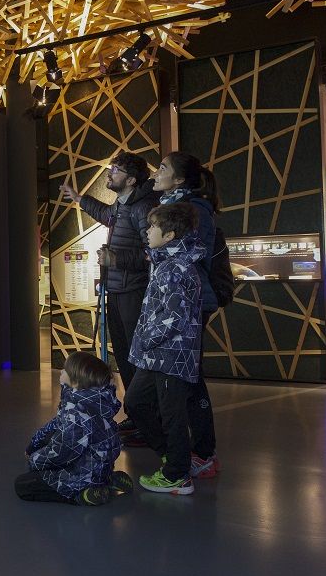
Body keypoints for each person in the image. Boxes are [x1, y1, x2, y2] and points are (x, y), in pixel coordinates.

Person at [59, 152, 159, 392]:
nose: (109, 173)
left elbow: (153, 253)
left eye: (115, 170)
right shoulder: (122, 205)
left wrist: (116, 259)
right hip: (116, 289)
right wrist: (79, 199)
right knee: (123, 354)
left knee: (134, 355)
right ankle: (136, 414)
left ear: (132, 180)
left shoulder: (143, 208)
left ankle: (145, 416)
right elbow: (107, 215)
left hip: (132, 291)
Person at [123, 203, 205, 495]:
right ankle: (174, 457)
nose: (147, 231)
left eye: (153, 227)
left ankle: (177, 474)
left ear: (169, 235)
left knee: (172, 416)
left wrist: (146, 339)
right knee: (135, 403)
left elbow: (174, 318)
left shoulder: (173, 268)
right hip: (156, 356)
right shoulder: (167, 264)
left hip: (169, 355)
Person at [149, 151, 221, 480]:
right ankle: (196, 452)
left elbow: (191, 254)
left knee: (189, 379)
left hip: (189, 301)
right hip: (183, 298)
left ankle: (200, 454)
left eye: (162, 168)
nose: (156, 172)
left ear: (178, 179)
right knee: (190, 377)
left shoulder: (193, 212)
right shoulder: (177, 207)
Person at [15, 351, 129, 506]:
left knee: (23, 485)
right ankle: (108, 478)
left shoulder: (76, 412)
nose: (61, 371)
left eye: (65, 370)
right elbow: (55, 424)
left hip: (83, 473)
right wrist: (33, 445)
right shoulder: (95, 400)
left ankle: (83, 494)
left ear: (76, 381)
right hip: (100, 462)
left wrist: (36, 460)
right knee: (52, 440)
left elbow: (62, 451)